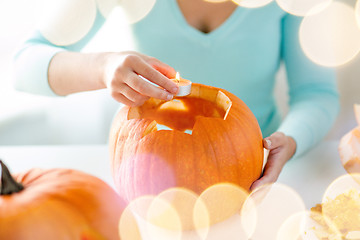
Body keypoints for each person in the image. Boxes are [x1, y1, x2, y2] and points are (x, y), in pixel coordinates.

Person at [13, 0, 339, 190]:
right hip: (148, 175)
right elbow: (24, 65)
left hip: (255, 175)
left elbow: (316, 93)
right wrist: (102, 67)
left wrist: (291, 139)